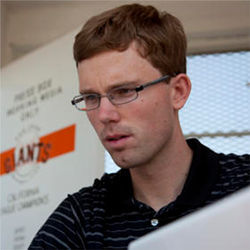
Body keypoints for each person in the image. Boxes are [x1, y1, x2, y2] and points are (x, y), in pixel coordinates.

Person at [29, 3, 250, 249]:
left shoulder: (244, 186)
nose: (104, 114)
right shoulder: (80, 219)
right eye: (91, 97)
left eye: (123, 91)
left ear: (178, 92)